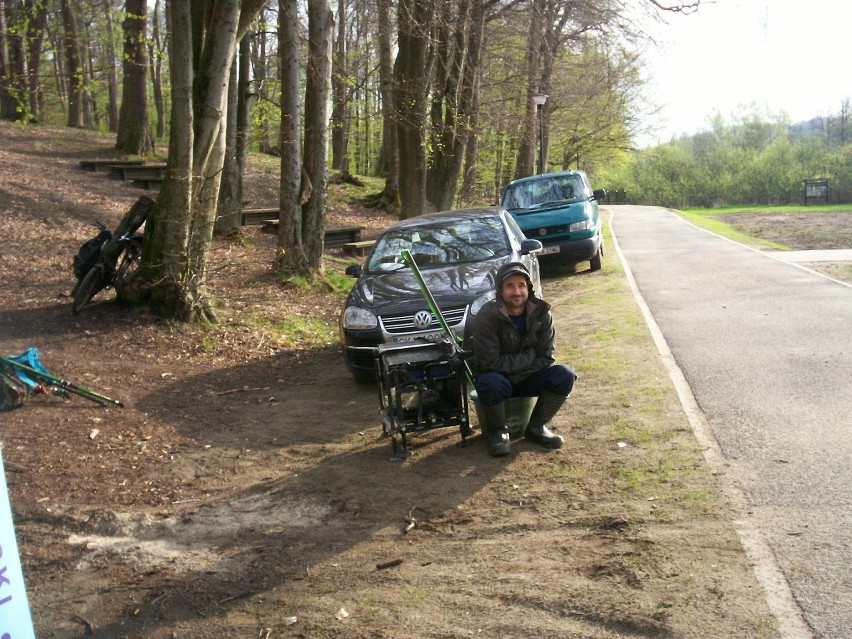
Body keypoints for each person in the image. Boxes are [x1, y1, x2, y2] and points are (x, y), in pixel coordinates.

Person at [471, 261, 576, 456]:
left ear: (528, 287)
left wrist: (522, 368)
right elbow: (489, 362)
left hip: (528, 377)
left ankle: (536, 427)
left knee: (565, 374)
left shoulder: (542, 313)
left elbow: (546, 357)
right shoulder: (486, 316)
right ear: (500, 290)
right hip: (498, 379)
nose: (517, 291)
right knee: (489, 382)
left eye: (521, 285)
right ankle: (498, 432)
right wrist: (529, 356)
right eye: (510, 286)